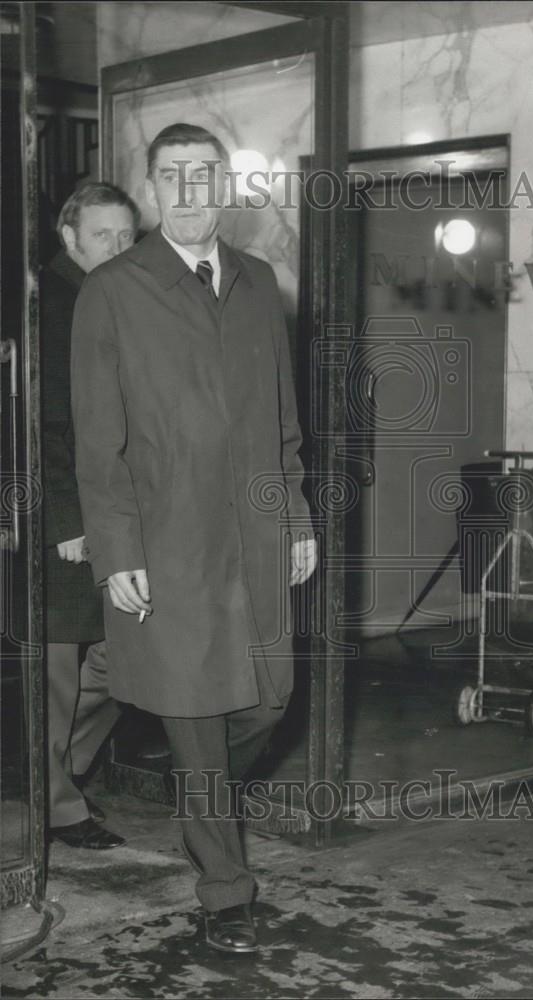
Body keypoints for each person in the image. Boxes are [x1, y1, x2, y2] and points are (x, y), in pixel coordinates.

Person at [70, 123, 317, 954]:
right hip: (168, 542)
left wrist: (297, 515)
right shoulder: (112, 291)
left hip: (253, 532)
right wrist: (117, 551)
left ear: (225, 186)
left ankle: (199, 795)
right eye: (172, 177)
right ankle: (225, 891)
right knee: (200, 717)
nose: (189, 190)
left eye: (204, 175)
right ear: (151, 191)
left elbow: (283, 420)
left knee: (272, 698)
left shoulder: (256, 281)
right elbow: (97, 444)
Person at [42, 181, 140, 851]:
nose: (116, 247)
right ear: (69, 237)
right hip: (67, 520)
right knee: (58, 667)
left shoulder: (121, 300)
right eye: (102, 235)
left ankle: (59, 775)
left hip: (122, 512)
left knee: (124, 651)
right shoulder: (46, 306)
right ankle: (57, 805)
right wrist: (68, 522)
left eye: (126, 236)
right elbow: (37, 425)